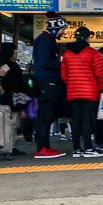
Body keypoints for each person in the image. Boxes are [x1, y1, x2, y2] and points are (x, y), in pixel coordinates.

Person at [60, 26, 103, 158]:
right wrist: (101, 89)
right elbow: (100, 74)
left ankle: (76, 149)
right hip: (90, 92)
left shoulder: (67, 54)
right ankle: (89, 149)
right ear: (87, 38)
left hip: (73, 92)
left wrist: (71, 85)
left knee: (76, 120)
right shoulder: (93, 53)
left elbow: (64, 75)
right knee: (87, 120)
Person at [33, 13, 68, 159]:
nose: (64, 32)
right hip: (47, 82)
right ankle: (42, 148)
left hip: (47, 82)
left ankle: (45, 146)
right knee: (45, 115)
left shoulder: (46, 40)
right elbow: (44, 62)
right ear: (55, 28)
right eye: (62, 29)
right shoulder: (44, 41)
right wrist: (61, 64)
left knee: (46, 115)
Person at [0, 42, 29, 156]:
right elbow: (13, 82)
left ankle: (7, 146)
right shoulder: (9, 64)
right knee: (12, 123)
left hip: (2, 98)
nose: (17, 53)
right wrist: (24, 88)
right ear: (9, 51)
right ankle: (9, 147)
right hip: (12, 98)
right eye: (15, 51)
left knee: (7, 123)